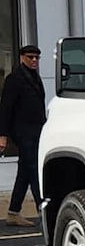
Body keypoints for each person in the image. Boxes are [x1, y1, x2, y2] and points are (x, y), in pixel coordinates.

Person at [0, 44, 46, 227]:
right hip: (21, 131)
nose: (34, 61)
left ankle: (13, 212)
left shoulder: (35, 78)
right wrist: (2, 135)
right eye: (30, 57)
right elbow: (5, 109)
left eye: (36, 58)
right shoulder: (14, 79)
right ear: (21, 58)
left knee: (25, 171)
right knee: (34, 168)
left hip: (36, 130)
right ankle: (42, 209)